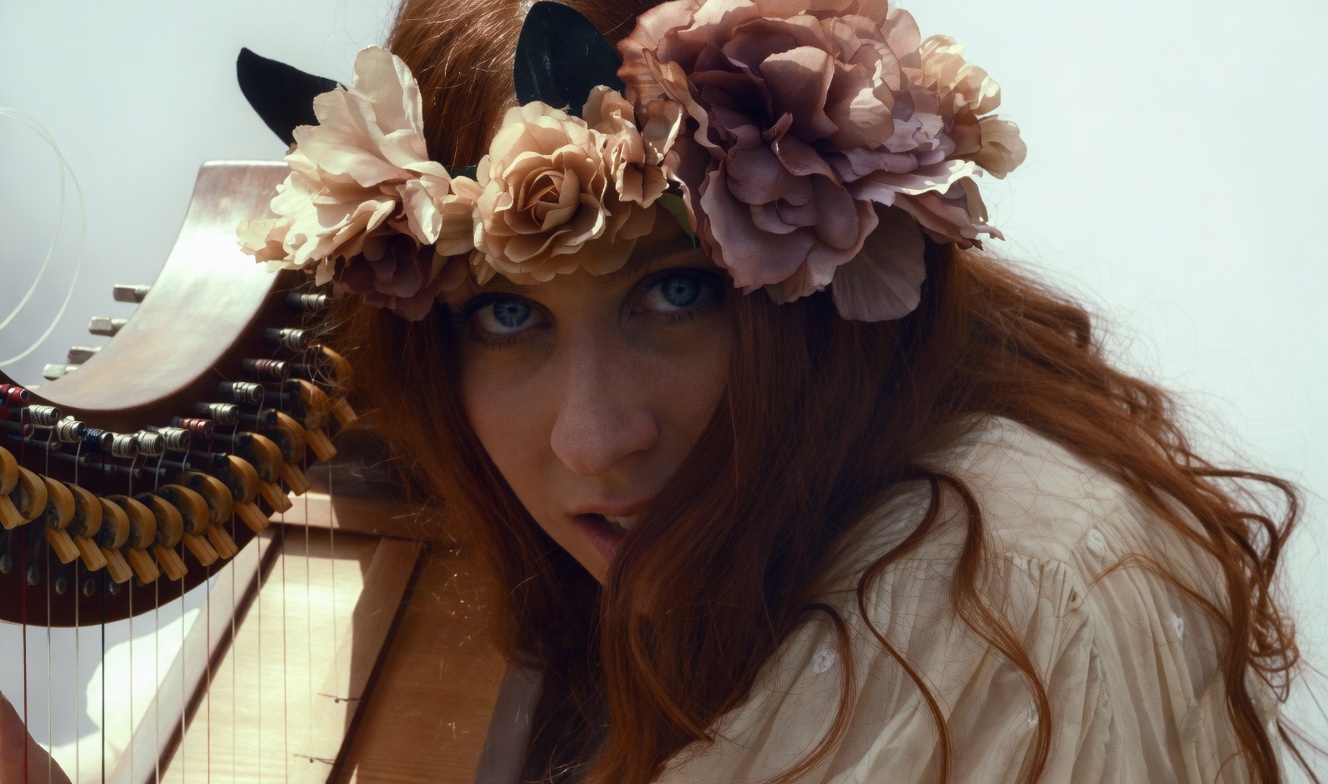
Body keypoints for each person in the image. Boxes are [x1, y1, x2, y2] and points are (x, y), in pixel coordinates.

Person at [1, 0, 1316, 781]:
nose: (594, 438)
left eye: (677, 293)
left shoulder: (989, 598)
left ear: (830, 271)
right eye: (504, 314)